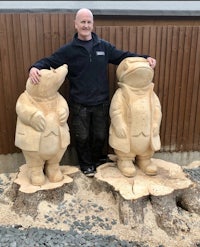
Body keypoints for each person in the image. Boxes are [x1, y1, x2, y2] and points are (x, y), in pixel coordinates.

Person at [29, 8, 157, 177]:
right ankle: (86, 164)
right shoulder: (69, 50)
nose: (86, 25)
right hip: (79, 103)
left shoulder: (103, 46)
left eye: (89, 22)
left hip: (101, 102)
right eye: (82, 22)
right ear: (76, 24)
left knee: (99, 135)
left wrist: (145, 57)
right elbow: (49, 61)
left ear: (92, 24)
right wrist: (34, 67)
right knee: (81, 137)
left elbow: (123, 56)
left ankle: (97, 159)